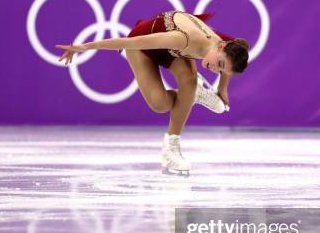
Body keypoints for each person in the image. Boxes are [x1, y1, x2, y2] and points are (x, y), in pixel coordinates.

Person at [57, 10, 250, 176]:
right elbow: (128, 41)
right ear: (221, 47)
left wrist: (222, 88)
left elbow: (231, 59)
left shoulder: (224, 46)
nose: (215, 70)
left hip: (172, 50)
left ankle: (171, 150)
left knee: (189, 81)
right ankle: (192, 95)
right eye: (219, 64)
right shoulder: (185, 39)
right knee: (160, 105)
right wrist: (85, 47)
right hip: (144, 46)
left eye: (221, 70)